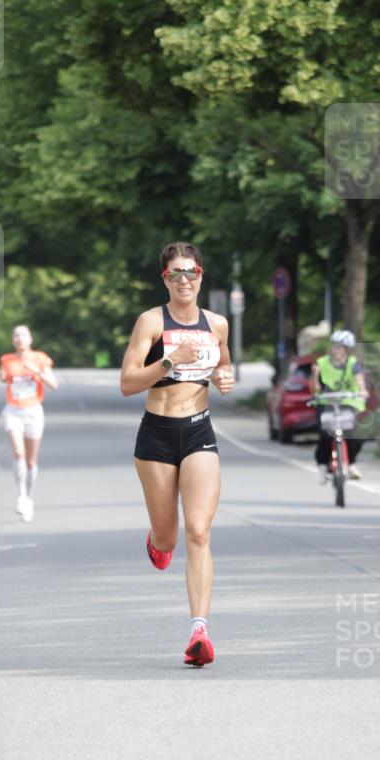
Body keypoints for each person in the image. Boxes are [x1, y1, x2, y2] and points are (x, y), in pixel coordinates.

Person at [120, 242, 234, 667]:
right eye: (175, 274)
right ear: (164, 279)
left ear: (201, 275)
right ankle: (157, 541)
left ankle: (199, 630)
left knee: (200, 532)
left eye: (191, 272)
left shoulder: (217, 324)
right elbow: (128, 383)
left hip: (199, 431)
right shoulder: (150, 322)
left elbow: (223, 363)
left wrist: (224, 377)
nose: (184, 280)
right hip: (157, 437)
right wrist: (169, 362)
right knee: (169, 536)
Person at [0, 325, 57, 522]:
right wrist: (2, 377)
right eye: (15, 335)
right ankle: (21, 495)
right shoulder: (7, 360)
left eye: (23, 335)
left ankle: (29, 497)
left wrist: (37, 372)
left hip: (33, 411)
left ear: (30, 338)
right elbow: (4, 377)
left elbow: (53, 385)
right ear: (12, 339)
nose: (19, 338)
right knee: (18, 452)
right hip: (13, 410)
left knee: (31, 460)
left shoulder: (40, 358)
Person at [311, 330, 368, 482]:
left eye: (341, 347)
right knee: (325, 436)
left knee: (354, 434)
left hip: (347, 402)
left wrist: (362, 391)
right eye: (335, 347)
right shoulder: (321, 363)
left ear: (347, 350)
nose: (337, 350)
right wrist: (315, 376)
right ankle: (323, 466)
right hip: (326, 403)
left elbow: (359, 380)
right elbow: (314, 390)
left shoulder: (352, 363)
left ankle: (351, 464)